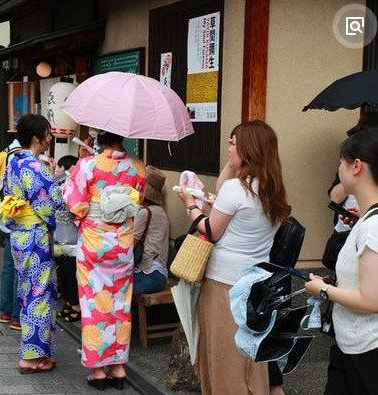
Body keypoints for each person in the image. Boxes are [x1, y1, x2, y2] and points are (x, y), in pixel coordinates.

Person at [177, 120, 288, 395]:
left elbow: (212, 231)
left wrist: (191, 206)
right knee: (250, 355)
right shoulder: (271, 188)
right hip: (255, 282)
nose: (229, 147)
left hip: (224, 283)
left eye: (233, 142)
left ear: (247, 149)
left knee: (223, 355)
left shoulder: (236, 189)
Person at [63, 129, 146, 390]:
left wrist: (86, 216)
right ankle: (119, 367)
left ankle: (98, 370)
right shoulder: (137, 168)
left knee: (94, 303)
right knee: (121, 303)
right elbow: (136, 202)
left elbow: (73, 202)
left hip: (94, 242)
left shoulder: (87, 165)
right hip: (122, 243)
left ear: (98, 139)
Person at [305, 129, 378, 394]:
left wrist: (323, 290)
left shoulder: (374, 226)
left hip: (367, 351)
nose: (338, 169)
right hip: (351, 345)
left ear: (356, 166)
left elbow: (372, 300)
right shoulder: (369, 221)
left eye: (340, 162)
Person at [0, 114, 63, 373]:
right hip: (35, 236)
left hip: (19, 236)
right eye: (47, 134)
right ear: (37, 138)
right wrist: (57, 184)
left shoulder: (13, 161)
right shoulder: (35, 167)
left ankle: (39, 352)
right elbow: (49, 203)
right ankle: (31, 356)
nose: (50, 138)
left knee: (29, 292)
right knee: (39, 295)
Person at [0, 137, 23, 331]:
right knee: (17, 269)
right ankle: (16, 316)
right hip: (20, 220)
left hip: (8, 216)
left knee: (8, 268)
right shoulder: (22, 157)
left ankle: (5, 312)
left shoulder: (8, 152)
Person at [133, 165, 169, 296]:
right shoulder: (160, 211)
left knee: (115, 287)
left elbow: (130, 242)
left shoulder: (146, 212)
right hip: (158, 273)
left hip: (150, 274)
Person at [54, 155, 81, 322]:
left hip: (72, 240)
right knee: (64, 273)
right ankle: (70, 303)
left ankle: (75, 305)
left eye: (58, 168)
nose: (56, 171)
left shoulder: (72, 187)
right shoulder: (60, 185)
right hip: (62, 239)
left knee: (70, 273)